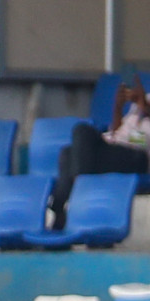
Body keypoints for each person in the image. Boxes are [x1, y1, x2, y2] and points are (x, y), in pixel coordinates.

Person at [52, 76, 150, 228]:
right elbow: (118, 132)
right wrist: (118, 107)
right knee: (68, 152)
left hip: (139, 153)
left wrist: (144, 106)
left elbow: (141, 139)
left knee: (81, 130)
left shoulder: (144, 102)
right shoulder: (140, 103)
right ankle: (59, 209)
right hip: (118, 146)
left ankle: (78, 189)